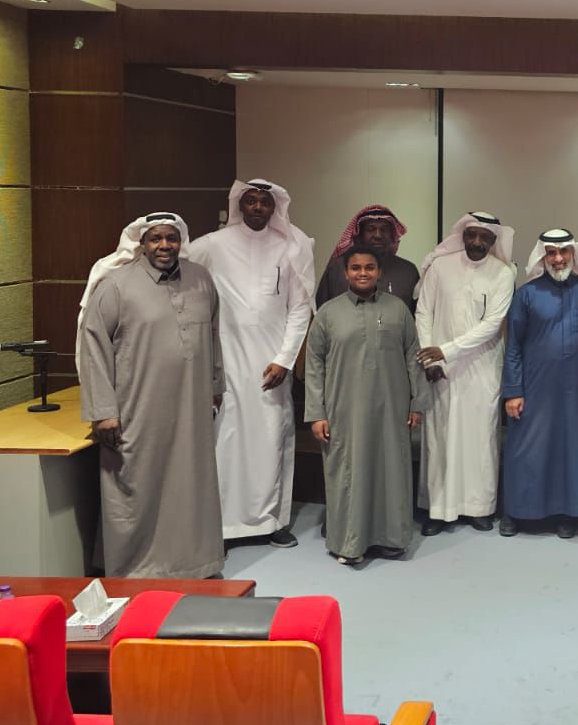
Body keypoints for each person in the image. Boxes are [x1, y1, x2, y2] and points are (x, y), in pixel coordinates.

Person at [77, 212, 224, 578]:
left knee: (191, 483)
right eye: (156, 238)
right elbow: (93, 348)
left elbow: (213, 336)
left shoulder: (201, 279)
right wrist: (103, 411)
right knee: (136, 484)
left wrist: (215, 387)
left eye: (171, 238)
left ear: (180, 242)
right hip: (137, 407)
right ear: (141, 243)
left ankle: (196, 563)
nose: (164, 245)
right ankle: (133, 568)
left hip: (191, 405)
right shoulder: (115, 285)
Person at [189, 179, 315, 547]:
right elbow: (173, 261)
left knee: (273, 437)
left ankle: (273, 522)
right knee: (226, 441)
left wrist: (285, 360)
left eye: (265, 202)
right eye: (251, 201)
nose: (258, 207)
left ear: (275, 207)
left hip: (272, 363)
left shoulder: (292, 245)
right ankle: (225, 526)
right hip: (227, 361)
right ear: (239, 205)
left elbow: (300, 308)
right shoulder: (212, 244)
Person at [305, 243, 429, 566]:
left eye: (369, 268)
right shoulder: (328, 313)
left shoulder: (398, 310)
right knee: (348, 472)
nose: (363, 273)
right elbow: (314, 366)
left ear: (379, 272)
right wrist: (316, 413)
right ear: (346, 273)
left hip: (391, 407)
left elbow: (413, 358)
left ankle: (392, 539)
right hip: (343, 409)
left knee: (392, 469)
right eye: (356, 268)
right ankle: (349, 543)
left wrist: (417, 403)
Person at [415, 211, 516, 534]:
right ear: (463, 235)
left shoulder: (503, 273)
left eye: (485, 237)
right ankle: (436, 509)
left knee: (480, 439)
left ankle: (479, 508)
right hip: (439, 370)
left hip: (481, 368)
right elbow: (423, 311)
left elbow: (492, 324)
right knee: (439, 438)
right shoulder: (440, 267)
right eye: (471, 235)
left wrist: (447, 350)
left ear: (493, 240)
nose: (477, 242)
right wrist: (430, 358)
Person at [500, 229, 578, 538]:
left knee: (572, 449)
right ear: (542, 257)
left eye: (564, 252)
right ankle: (516, 511)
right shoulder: (527, 293)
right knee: (526, 448)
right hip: (535, 387)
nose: (558, 259)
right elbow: (513, 345)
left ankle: (569, 513)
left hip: (577, 389)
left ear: (573, 254)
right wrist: (513, 391)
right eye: (551, 253)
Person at [316, 205, 419, 309]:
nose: (378, 235)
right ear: (359, 235)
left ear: (391, 235)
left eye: (384, 229)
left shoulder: (408, 271)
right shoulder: (337, 268)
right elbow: (322, 309)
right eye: (371, 229)